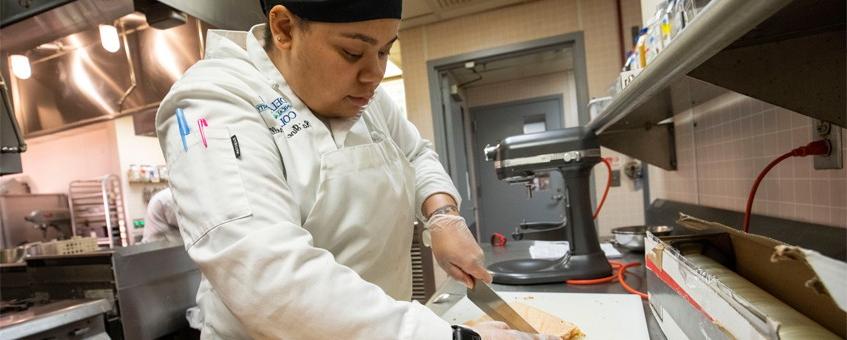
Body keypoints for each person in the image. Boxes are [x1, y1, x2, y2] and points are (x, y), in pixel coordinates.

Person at [156, 0, 557, 338]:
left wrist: (442, 214)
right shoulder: (210, 103)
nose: (374, 74)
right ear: (283, 28)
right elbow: (266, 275)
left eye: (384, 51)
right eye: (352, 53)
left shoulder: (369, 100)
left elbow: (416, 154)